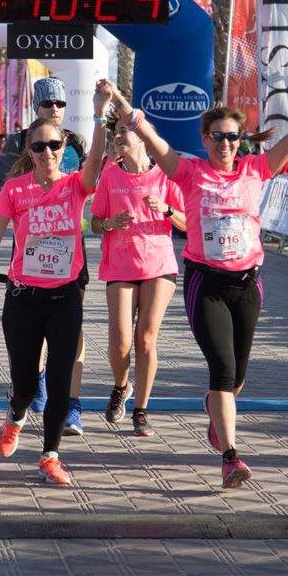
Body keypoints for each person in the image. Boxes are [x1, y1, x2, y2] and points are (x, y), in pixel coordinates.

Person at [108, 66, 288, 488]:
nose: (225, 144)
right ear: (205, 140)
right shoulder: (189, 172)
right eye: (217, 136)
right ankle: (232, 457)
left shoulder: (256, 169)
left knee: (236, 377)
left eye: (232, 137)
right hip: (206, 284)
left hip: (247, 284)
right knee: (220, 370)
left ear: (241, 141)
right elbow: (149, 137)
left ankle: (217, 413)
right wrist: (120, 102)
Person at [0, 84, 109, 486]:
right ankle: (14, 418)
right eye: (39, 147)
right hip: (23, 297)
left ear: (63, 147)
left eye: (54, 146)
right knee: (25, 384)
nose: (47, 153)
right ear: (29, 150)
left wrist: (98, 114)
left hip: (65, 297)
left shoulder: (76, 184)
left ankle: (50, 455)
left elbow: (96, 159)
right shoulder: (14, 189)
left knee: (60, 380)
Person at [0, 77, 91, 434]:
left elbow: (92, 187)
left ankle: (71, 403)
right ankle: (31, 387)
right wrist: (32, 190)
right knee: (34, 340)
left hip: (70, 250)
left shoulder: (76, 143)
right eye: (48, 104)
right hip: (30, 254)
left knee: (70, 330)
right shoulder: (20, 142)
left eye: (61, 104)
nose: (55, 110)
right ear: (37, 107)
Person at [90, 110, 185, 436]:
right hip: (120, 265)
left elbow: (189, 223)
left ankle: (142, 410)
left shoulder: (165, 176)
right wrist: (109, 224)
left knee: (145, 339)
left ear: (143, 137)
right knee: (119, 343)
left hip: (159, 265)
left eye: (123, 131)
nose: (118, 137)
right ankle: (121, 386)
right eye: (115, 131)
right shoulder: (110, 175)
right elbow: (94, 222)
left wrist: (167, 209)